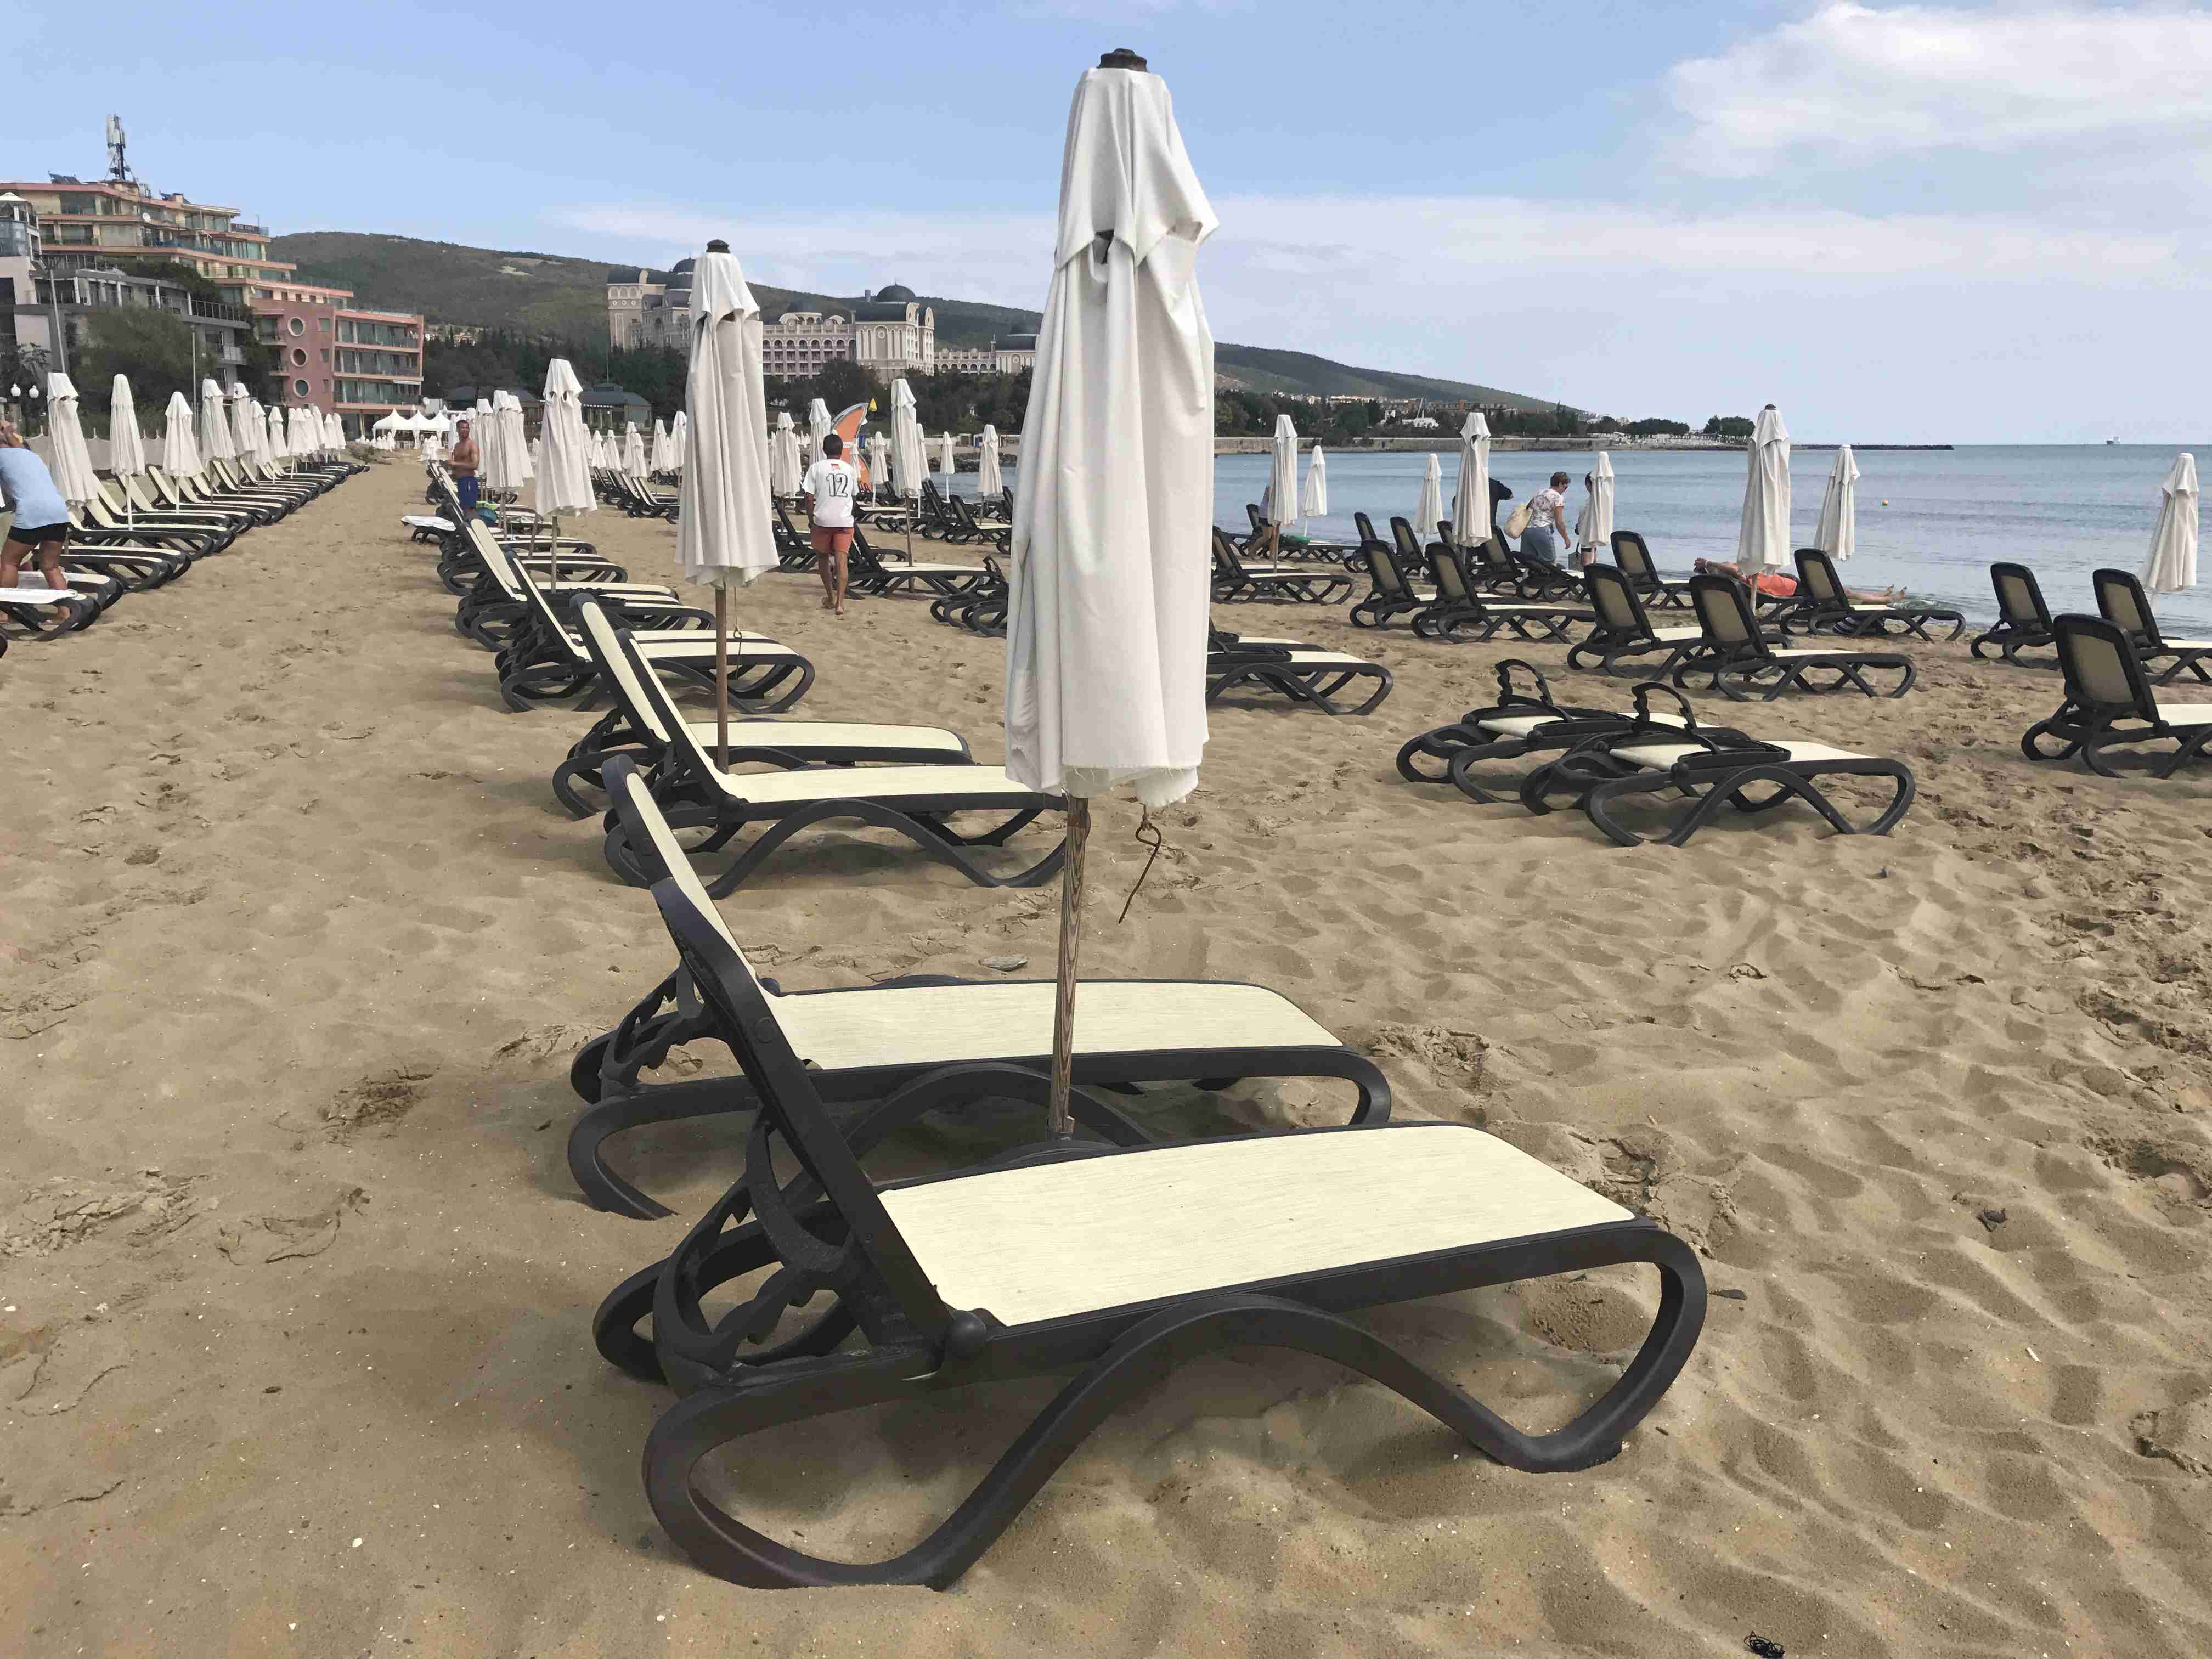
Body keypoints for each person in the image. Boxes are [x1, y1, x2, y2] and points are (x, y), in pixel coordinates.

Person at [0, 419, 74, 595]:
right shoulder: (31, 456)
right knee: (51, 567)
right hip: (59, 512)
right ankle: (65, 609)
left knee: (8, 563)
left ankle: (5, 609)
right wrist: (8, 432)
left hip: (33, 512)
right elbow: (17, 446)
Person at [801, 431, 859, 616]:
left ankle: (830, 597)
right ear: (841, 451)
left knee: (823, 559)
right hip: (844, 521)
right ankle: (840, 604)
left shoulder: (816, 468)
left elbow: (809, 498)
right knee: (842, 561)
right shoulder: (850, 469)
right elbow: (854, 498)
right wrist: (848, 513)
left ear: (824, 450)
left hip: (822, 520)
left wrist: (811, 520)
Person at [1692, 557, 1904, 604]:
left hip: (1792, 584)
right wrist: (1710, 563)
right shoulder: (1743, 577)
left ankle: (1877, 596)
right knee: (1842, 592)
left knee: (1839, 590)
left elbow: (1731, 566)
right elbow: (1733, 569)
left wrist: (1710, 564)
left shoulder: (1744, 574)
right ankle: (1883, 599)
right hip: (1793, 591)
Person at [1520, 470, 1571, 565]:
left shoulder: (1539, 493)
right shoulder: (1557, 497)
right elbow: (1559, 523)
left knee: (1530, 563)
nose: (1565, 489)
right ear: (1560, 484)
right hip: (1542, 530)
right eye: (1566, 486)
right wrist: (1566, 539)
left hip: (1527, 531)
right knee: (1550, 563)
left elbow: (1528, 507)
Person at [449, 418, 480, 515]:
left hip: (469, 481)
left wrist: (455, 464)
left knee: (470, 510)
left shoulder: (472, 445)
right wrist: (449, 466)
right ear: (458, 430)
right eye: (463, 428)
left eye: (467, 428)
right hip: (460, 482)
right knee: (464, 510)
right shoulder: (457, 446)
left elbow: (475, 465)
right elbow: (456, 466)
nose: (466, 430)